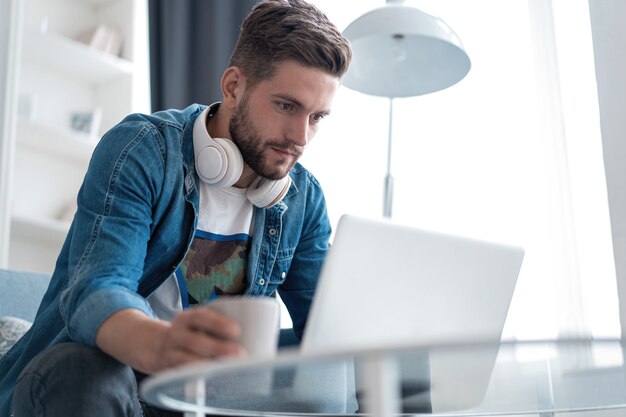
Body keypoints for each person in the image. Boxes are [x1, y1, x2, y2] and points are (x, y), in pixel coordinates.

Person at [0, 0, 352, 415]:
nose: (301, 137)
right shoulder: (142, 150)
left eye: (317, 117)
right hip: (115, 378)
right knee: (85, 371)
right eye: (286, 106)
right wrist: (165, 346)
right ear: (234, 86)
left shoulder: (302, 199)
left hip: (209, 392)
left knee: (340, 367)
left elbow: (324, 328)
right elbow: (96, 292)